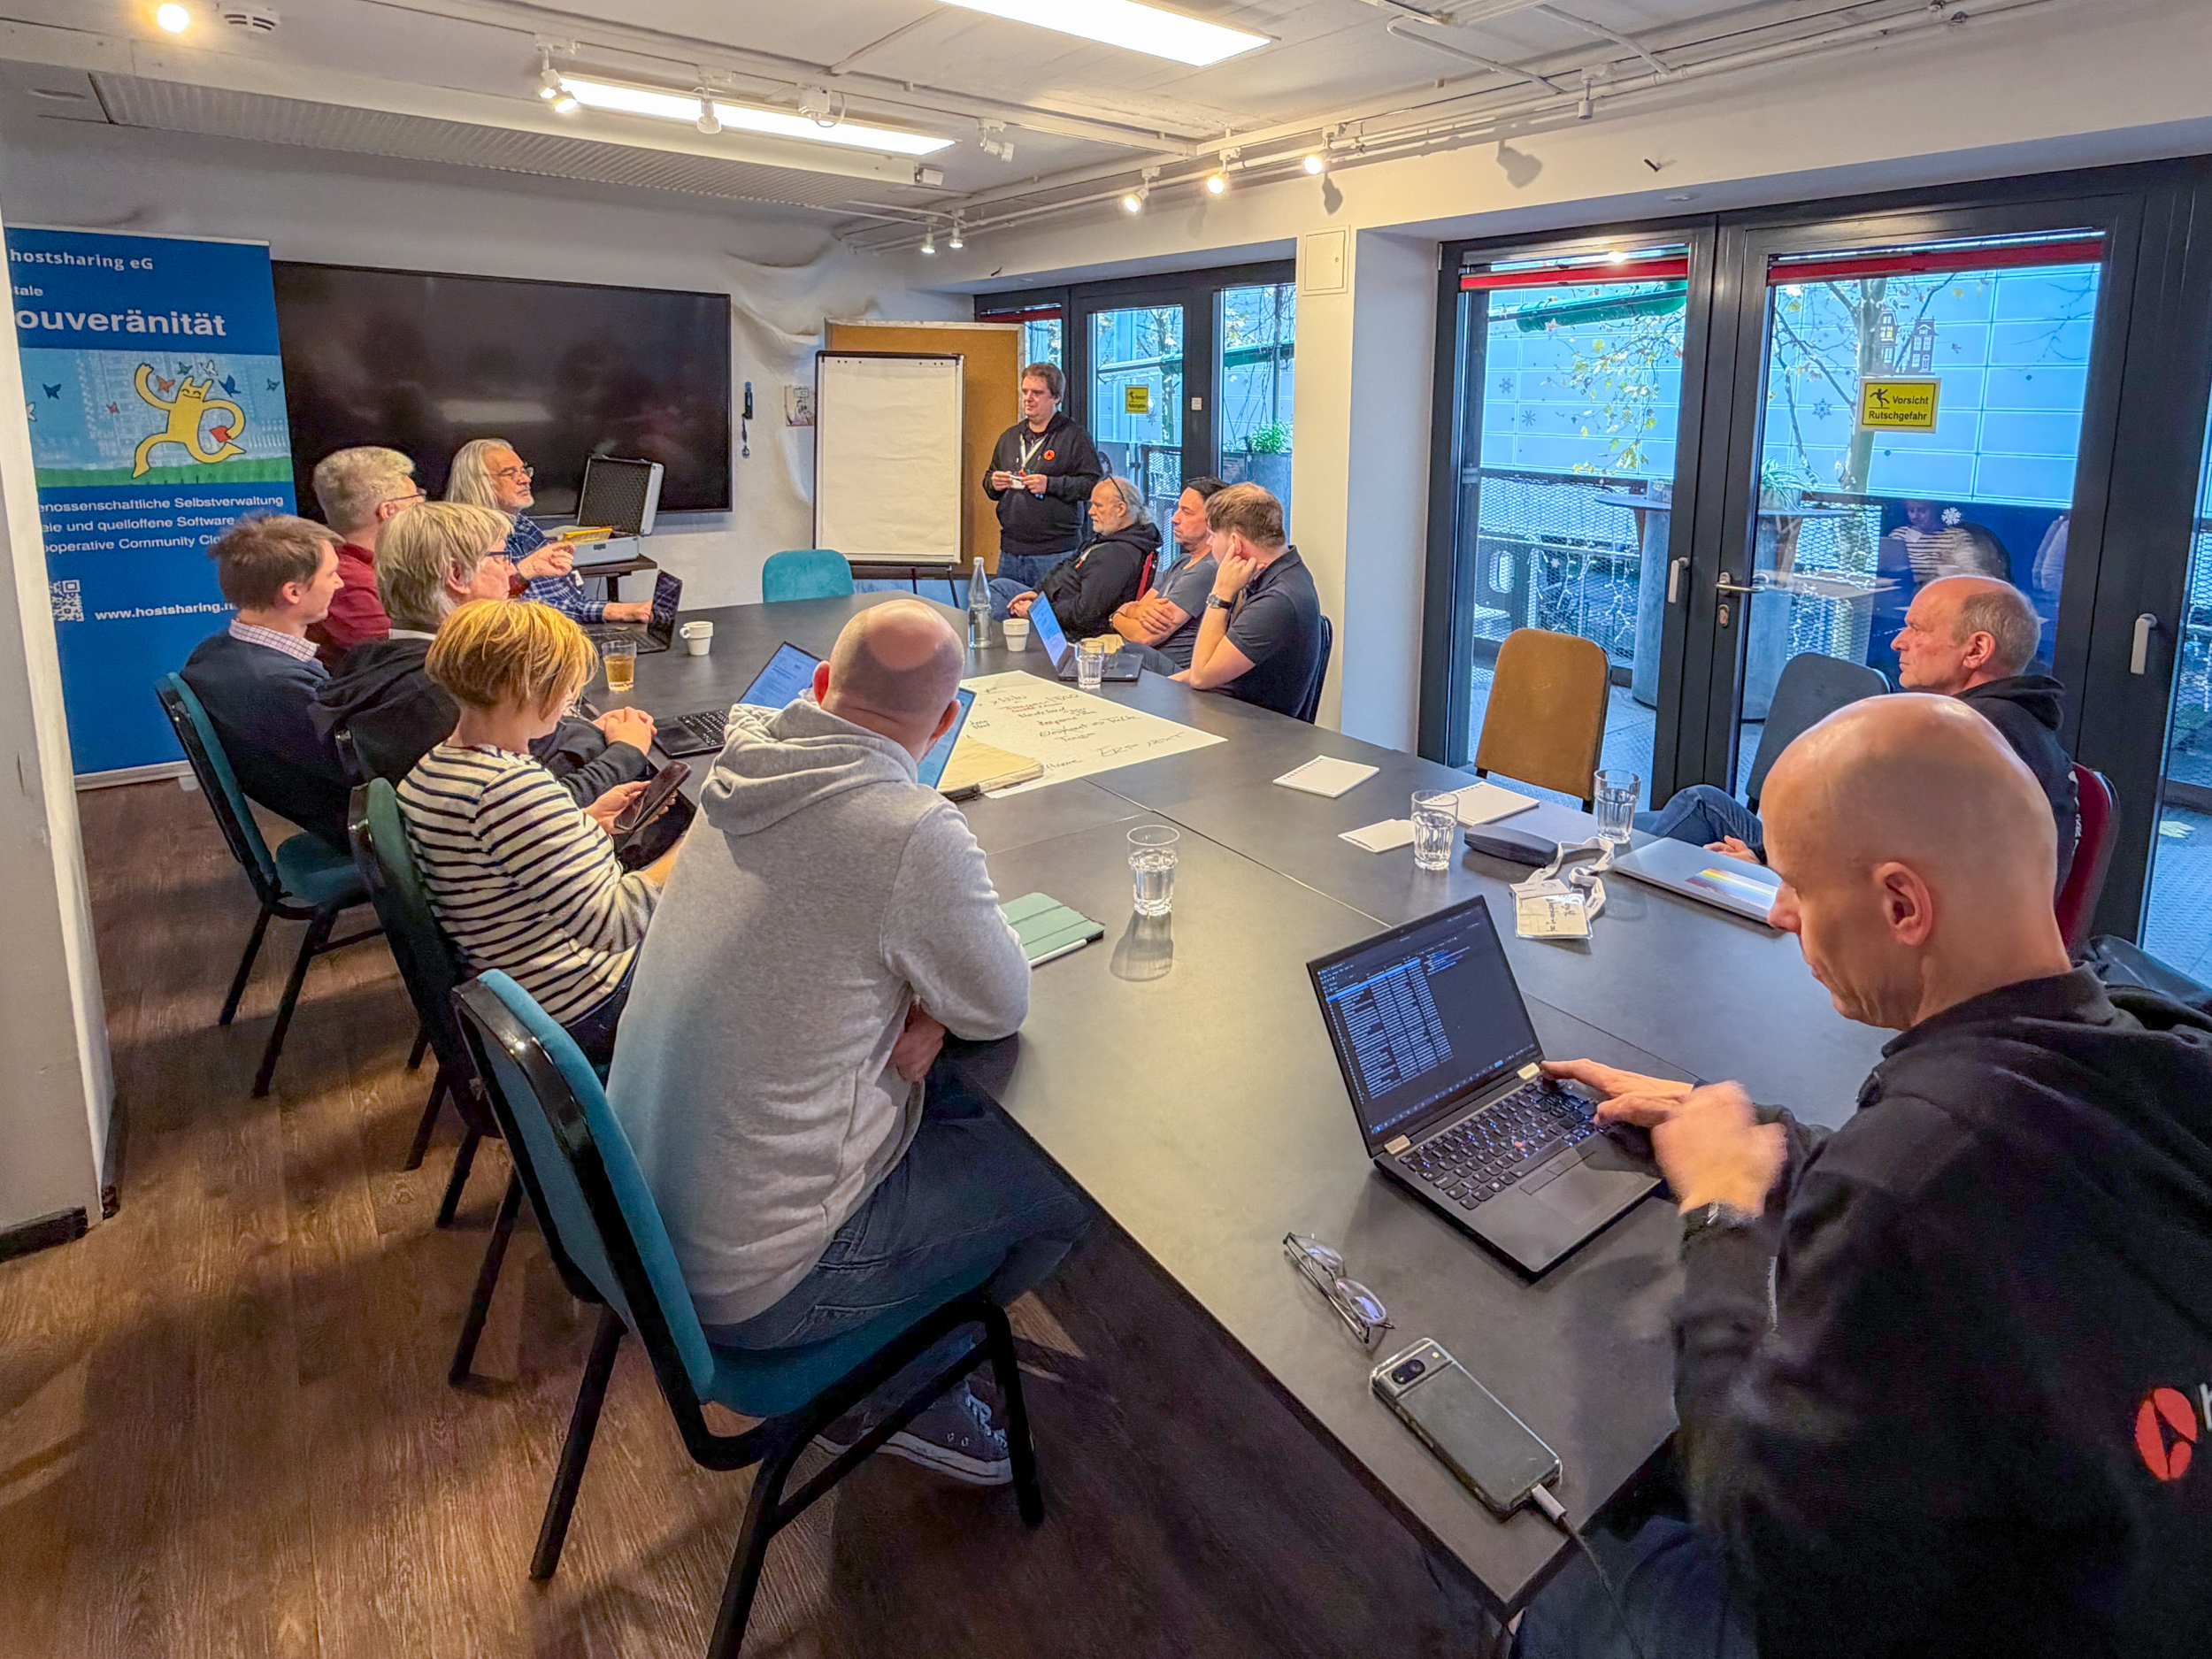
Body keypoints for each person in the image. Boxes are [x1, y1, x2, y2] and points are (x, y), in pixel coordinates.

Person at [1516, 694, 2212, 1659]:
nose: (1782, 908)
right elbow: (1985, 1186)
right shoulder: (2148, 1053)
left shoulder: (1909, 1184)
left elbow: (1762, 1533)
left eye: (1794, 881)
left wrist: (1722, 1210)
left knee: (1510, 1563)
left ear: (1899, 904)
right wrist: (1765, 1138)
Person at [610, 599, 1091, 1485]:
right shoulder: (906, 829)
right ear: (947, 722)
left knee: (949, 1100)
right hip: (763, 1286)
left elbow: (822, 943)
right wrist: (938, 1001)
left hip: (645, 1226)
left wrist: (921, 1001)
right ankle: (890, 1382)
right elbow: (1000, 1001)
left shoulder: (741, 767)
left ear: (823, 685)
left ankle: (894, 1347)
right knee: (1071, 1182)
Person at [1640, 576, 2079, 885]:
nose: (1897, 641)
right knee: (1664, 818)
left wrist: (1767, 867)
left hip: (1869, 921)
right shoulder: (2025, 726)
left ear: (1976, 649)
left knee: (1687, 811)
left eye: (1916, 628)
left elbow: (1872, 860)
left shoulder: (1958, 739)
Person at [397, 601, 673, 1064]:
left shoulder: (433, 769)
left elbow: (510, 865)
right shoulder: (510, 790)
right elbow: (615, 926)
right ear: (526, 687)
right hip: (585, 1004)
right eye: (564, 685)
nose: (569, 697)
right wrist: (700, 846)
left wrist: (584, 820)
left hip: (523, 987)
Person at [310, 501, 655, 804]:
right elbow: (541, 807)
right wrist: (627, 751)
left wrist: (580, 730)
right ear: (457, 575)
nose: (510, 569)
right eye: (502, 556)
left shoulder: (376, 658)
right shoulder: (440, 690)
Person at [180, 513, 351, 849]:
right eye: (330, 574)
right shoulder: (278, 685)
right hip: (356, 827)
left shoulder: (210, 653)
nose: (339, 583)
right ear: (292, 591)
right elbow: (356, 770)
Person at [446, 436, 651, 626]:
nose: (525, 479)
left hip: (558, 631)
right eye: (510, 474)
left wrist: (624, 610)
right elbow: (505, 615)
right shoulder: (463, 539)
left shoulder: (522, 527)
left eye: (524, 470)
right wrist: (524, 572)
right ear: (478, 482)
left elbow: (563, 601)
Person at [1176, 482, 1324, 718]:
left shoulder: (1278, 600)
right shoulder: (1280, 572)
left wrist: (1220, 594)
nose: (1210, 543)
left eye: (1213, 535)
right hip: (1228, 708)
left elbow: (1202, 677)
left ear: (1235, 542)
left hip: (1249, 730)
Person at [981, 363, 1104, 591]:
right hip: (1011, 552)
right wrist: (993, 483)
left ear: (1056, 397)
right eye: (1025, 392)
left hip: (1054, 552)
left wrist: (1050, 484)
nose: (1028, 398)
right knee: (1006, 619)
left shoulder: (1074, 437)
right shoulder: (1010, 437)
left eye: (1037, 393)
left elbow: (1093, 484)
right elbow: (989, 482)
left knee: (1049, 621)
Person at [990, 475, 1160, 634]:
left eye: (1098, 506)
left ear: (1121, 509)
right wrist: (1037, 593)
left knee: (996, 594)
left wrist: (1037, 612)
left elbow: (1084, 614)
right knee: (1000, 587)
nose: (1090, 512)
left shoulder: (1117, 555)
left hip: (1067, 629)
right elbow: (1065, 565)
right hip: (1053, 603)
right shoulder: (1108, 538)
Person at [305, 446, 426, 667]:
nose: (422, 504)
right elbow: (408, 657)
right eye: (415, 497)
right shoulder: (346, 581)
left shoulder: (369, 567)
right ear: (389, 511)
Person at [1110, 473, 1225, 672]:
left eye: (1186, 512)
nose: (1174, 518)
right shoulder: (1181, 562)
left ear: (1212, 522)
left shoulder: (1207, 570)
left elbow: (1143, 636)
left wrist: (1116, 617)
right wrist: (1131, 611)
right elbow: (1140, 607)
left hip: (1170, 678)